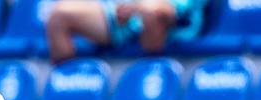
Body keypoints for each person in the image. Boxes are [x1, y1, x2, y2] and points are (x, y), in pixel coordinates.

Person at [45, 0, 210, 65]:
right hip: (125, 21)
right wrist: (122, 7)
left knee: (150, 12)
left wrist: (136, 8)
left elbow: (177, 9)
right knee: (59, 16)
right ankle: (64, 86)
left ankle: (151, 74)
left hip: (174, 25)